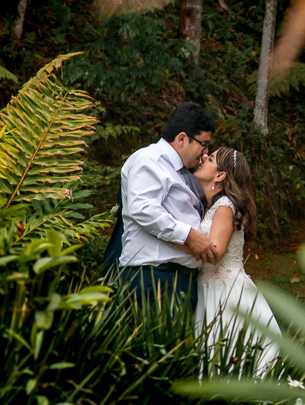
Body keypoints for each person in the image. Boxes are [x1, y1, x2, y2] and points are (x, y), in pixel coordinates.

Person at [116, 102, 218, 309]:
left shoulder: (181, 170)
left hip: (176, 278)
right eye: (203, 144)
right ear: (182, 138)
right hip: (155, 277)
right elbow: (143, 208)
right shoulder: (149, 159)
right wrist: (189, 236)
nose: (206, 151)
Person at [192, 146, 282, 374]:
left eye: (210, 158)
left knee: (224, 350)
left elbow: (215, 253)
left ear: (220, 175)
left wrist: (175, 237)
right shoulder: (213, 205)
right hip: (212, 287)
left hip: (224, 293)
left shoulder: (223, 207)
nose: (204, 158)